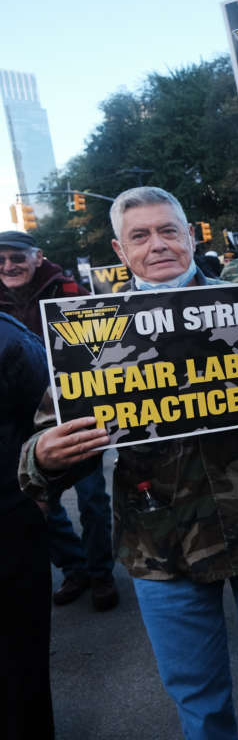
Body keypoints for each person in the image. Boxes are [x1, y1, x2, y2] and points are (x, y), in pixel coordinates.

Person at [18, 186, 238, 740]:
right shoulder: (89, 336)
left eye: (168, 231)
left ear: (190, 236)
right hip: (157, 544)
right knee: (198, 694)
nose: (157, 245)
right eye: (140, 235)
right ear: (119, 249)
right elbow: (47, 442)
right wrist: (41, 456)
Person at [0, 229, 118, 611]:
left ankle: (101, 574)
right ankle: (75, 567)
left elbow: (100, 348)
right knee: (32, 496)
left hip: (72, 408)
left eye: (16, 257)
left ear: (37, 257)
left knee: (92, 495)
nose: (8, 266)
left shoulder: (68, 291)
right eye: (0, 259)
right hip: (18, 416)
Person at [1, 310, 54, 739]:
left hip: (9, 518)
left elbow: (51, 420)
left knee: (19, 659)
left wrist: (39, 489)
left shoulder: (9, 340)